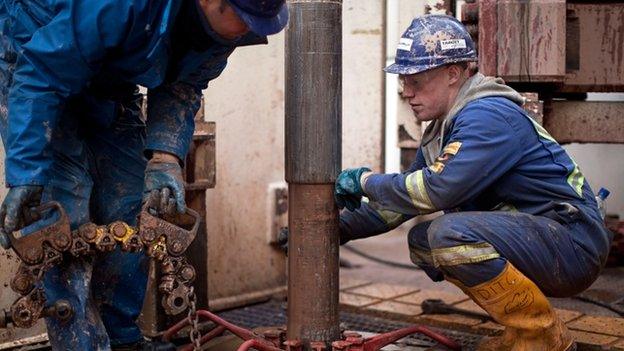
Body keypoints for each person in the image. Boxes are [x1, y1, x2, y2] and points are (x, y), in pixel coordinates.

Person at [0, 0, 288, 349]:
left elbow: (184, 85)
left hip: (108, 83)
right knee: (63, 214)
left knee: (130, 206)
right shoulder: (123, 5)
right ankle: (79, 344)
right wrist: (28, 172)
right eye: (244, 19)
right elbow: (41, 73)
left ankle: (123, 340)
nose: (250, 29)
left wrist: (165, 158)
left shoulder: (226, 33)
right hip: (37, 58)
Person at [334, 15, 611, 351]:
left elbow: (437, 189)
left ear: (454, 73)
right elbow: (399, 204)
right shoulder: (443, 128)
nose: (407, 92)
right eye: (404, 81)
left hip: (573, 243)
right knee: (422, 241)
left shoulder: (488, 116)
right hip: (542, 237)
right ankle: (522, 331)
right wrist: (335, 229)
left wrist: (364, 181)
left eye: (417, 81)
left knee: (447, 236)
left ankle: (541, 337)